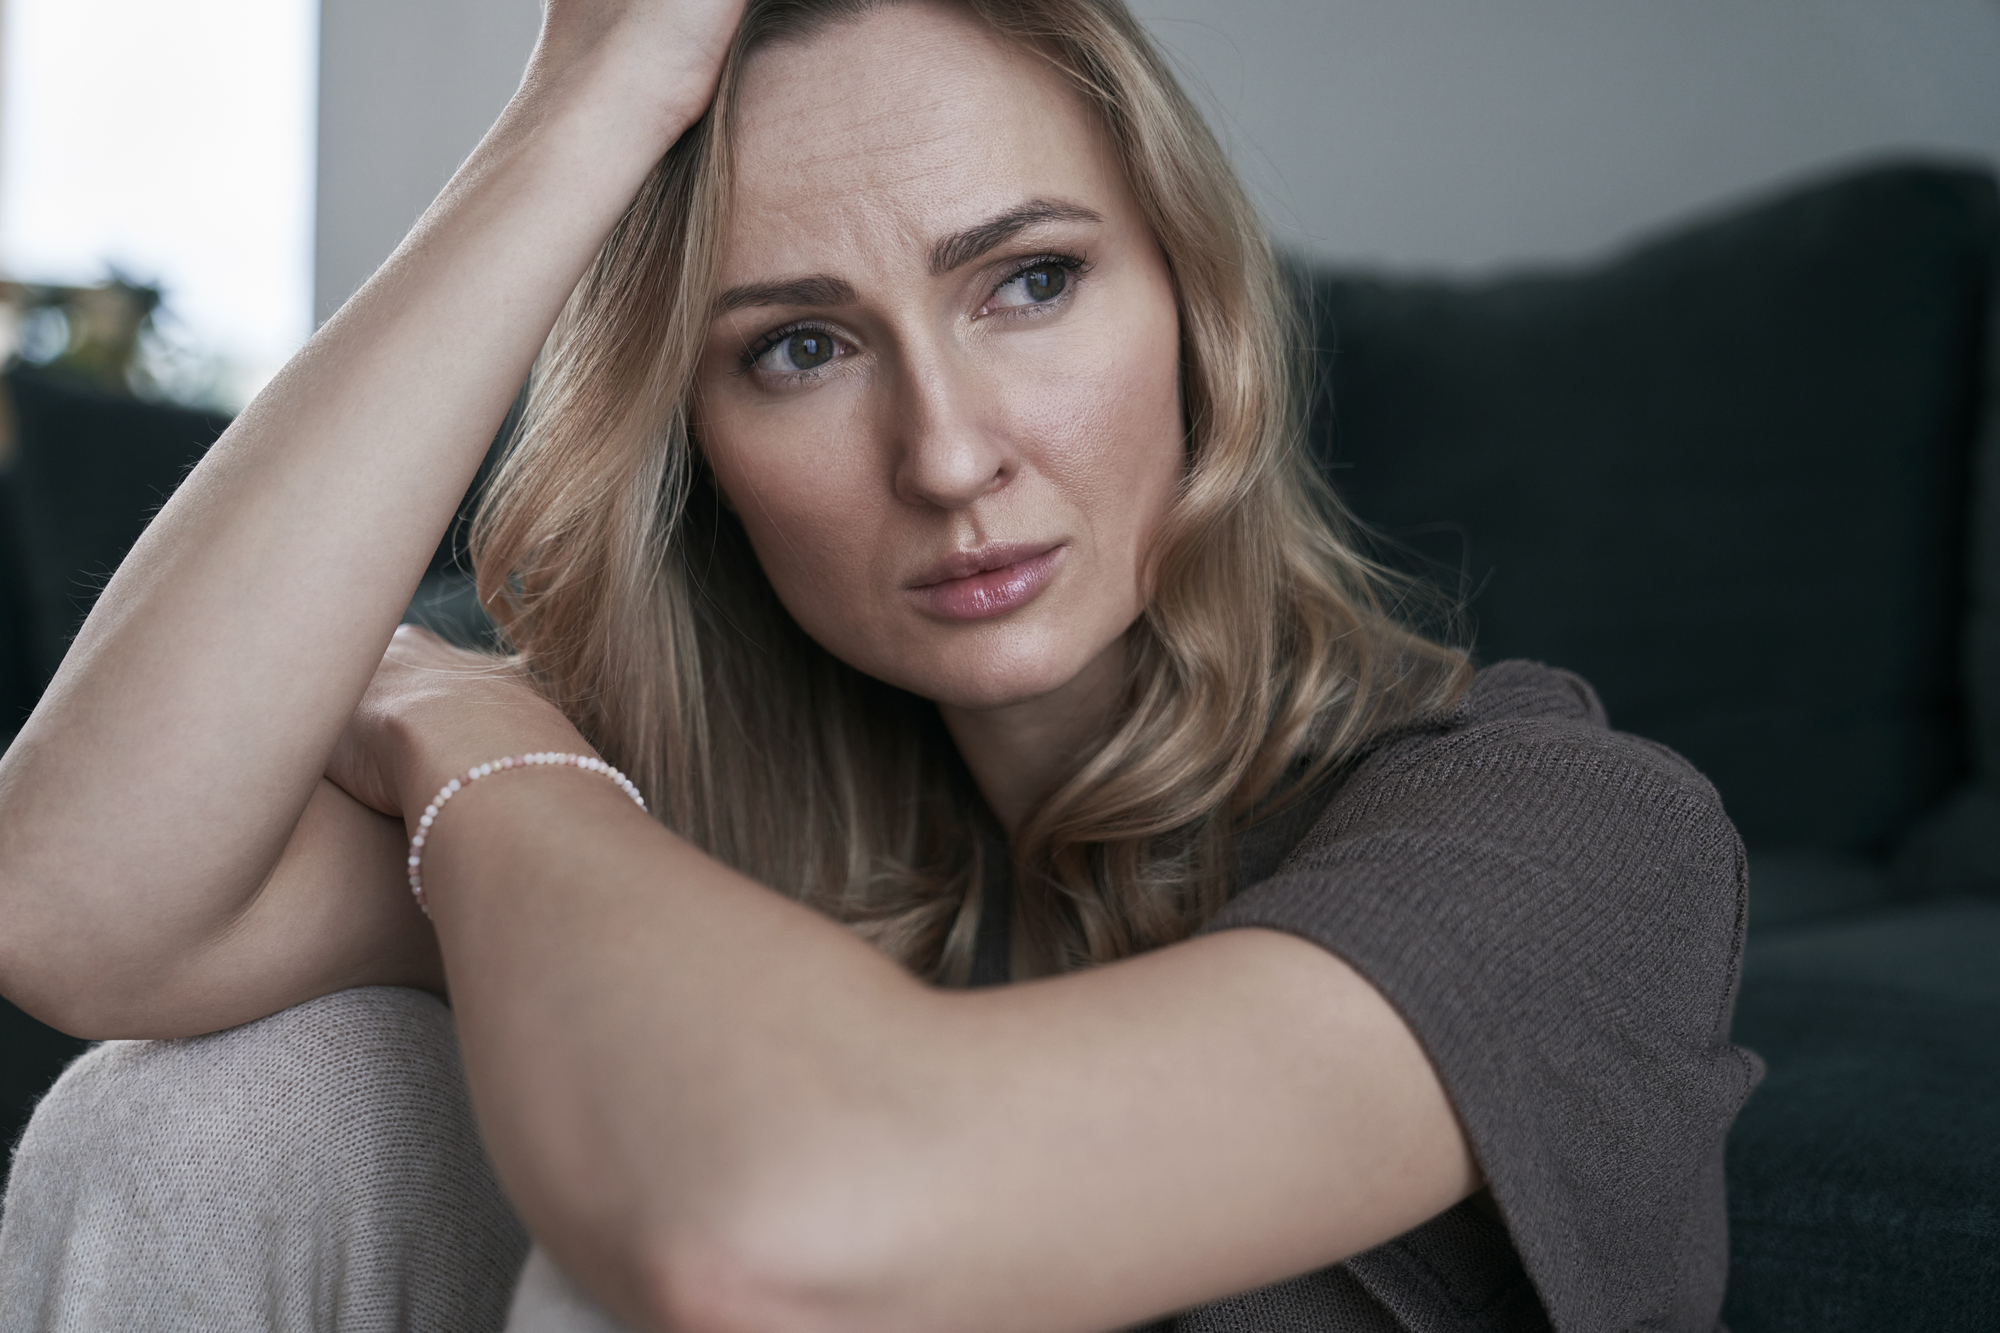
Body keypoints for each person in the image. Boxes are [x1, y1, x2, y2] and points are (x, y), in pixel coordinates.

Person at [0, 0, 1760, 1329]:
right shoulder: (693, 816)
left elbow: (777, 1224)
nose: (947, 454)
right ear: (694, 436)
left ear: (1197, 311)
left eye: (1030, 283)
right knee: (223, 1115)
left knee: (669, 1139)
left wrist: (467, 725)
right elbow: (80, 902)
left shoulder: (1577, 839)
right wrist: (572, 117)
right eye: (802, 347)